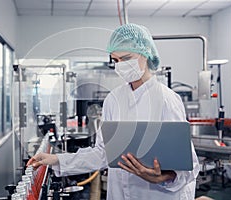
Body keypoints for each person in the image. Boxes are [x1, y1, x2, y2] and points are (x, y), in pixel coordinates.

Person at [27, 23, 200, 200]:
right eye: (116, 60)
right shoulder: (113, 99)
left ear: (145, 53)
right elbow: (103, 153)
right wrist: (56, 159)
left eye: (126, 58)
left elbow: (189, 166)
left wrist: (162, 177)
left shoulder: (166, 99)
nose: (120, 66)